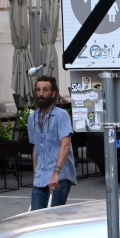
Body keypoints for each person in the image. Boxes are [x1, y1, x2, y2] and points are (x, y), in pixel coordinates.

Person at [28, 76, 74, 211]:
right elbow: (36, 147)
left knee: (53, 219)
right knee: (36, 217)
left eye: (45, 90)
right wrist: (36, 172)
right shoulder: (33, 118)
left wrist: (56, 174)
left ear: (53, 93)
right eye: (38, 90)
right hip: (40, 178)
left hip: (58, 177)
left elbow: (65, 145)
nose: (41, 93)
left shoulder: (61, 115)